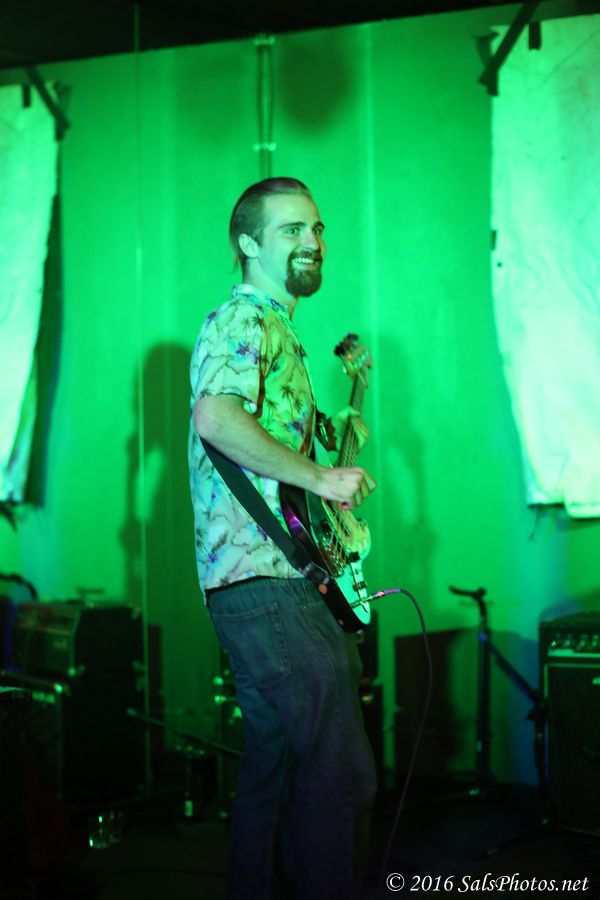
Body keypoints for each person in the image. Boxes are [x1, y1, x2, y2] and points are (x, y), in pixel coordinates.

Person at [188, 177, 377, 900]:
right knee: (337, 773)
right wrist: (323, 478)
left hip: (259, 583)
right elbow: (218, 418)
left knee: (279, 772)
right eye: (292, 229)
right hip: (267, 580)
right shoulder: (245, 318)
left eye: (317, 228)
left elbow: (275, 438)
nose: (312, 242)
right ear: (248, 243)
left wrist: (334, 426)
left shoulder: (278, 330)